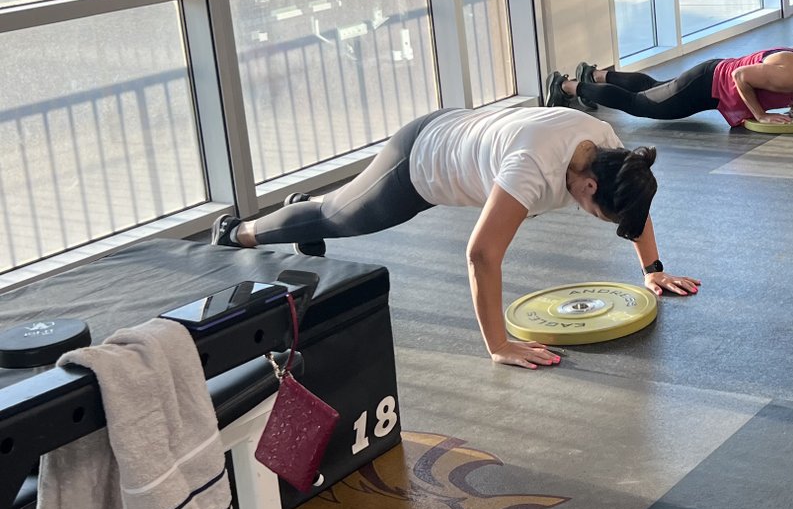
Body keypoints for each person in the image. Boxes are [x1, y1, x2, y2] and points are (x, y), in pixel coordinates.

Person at [211, 107, 700, 369]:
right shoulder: (533, 167)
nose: (595, 217)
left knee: (332, 212)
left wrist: (652, 271)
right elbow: (482, 255)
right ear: (588, 186)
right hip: (420, 164)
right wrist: (499, 344)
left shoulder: (612, 152)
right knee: (339, 217)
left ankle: (306, 214)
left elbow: (635, 204)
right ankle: (240, 230)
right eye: (597, 214)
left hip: (460, 128)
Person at [545, 48, 793, 128]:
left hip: (711, 76)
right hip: (708, 84)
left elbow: (772, 75)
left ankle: (597, 74)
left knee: (657, 87)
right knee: (642, 105)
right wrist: (762, 115)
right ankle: (569, 86)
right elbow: (743, 76)